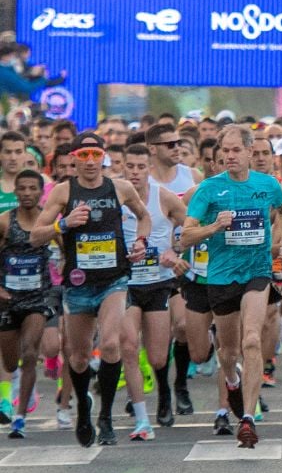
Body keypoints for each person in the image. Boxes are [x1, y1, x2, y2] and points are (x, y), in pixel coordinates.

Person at [32, 132, 150, 448]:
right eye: (83, 156)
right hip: (78, 283)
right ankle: (84, 410)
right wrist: (63, 224)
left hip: (114, 279)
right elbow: (35, 236)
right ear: (74, 159)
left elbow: (144, 217)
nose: (89, 161)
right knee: (80, 357)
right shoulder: (63, 192)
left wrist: (141, 242)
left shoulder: (120, 188)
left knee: (110, 345)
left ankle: (106, 417)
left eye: (95, 155)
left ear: (103, 156)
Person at [180, 125, 282, 449]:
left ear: (249, 152)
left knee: (252, 339)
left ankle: (248, 418)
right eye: (225, 151)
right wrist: (214, 226)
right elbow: (185, 236)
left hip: (257, 272)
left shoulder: (267, 185)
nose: (230, 156)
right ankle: (231, 379)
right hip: (220, 277)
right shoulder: (209, 189)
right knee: (228, 353)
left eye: (235, 150)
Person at [118, 144, 188, 440]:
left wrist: (175, 250)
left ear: (149, 168)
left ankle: (164, 392)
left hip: (159, 282)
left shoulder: (164, 197)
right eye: (130, 166)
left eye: (140, 167)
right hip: (125, 284)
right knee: (129, 346)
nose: (135, 172)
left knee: (158, 358)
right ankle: (142, 419)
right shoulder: (115, 197)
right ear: (122, 167)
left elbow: (190, 226)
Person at [0, 170, 54, 438]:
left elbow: (66, 248)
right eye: (22, 188)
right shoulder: (4, 222)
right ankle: (16, 384)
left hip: (37, 297)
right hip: (8, 300)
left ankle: (19, 418)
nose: (27, 193)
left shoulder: (48, 221)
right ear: (16, 192)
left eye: (33, 188)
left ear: (41, 192)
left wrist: (66, 268)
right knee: (11, 364)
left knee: (31, 353)